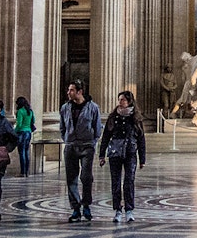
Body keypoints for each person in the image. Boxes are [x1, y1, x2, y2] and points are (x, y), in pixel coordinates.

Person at [98, 90, 146, 224]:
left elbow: (141, 138)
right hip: (115, 153)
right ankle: (117, 209)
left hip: (130, 153)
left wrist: (142, 158)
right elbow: (106, 136)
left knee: (129, 182)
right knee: (116, 182)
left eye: (123, 100)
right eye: (119, 100)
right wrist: (102, 154)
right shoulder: (113, 117)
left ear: (129, 101)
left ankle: (129, 209)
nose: (120, 102)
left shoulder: (136, 118)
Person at [60, 79, 102, 222]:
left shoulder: (93, 107)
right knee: (71, 178)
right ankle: (75, 208)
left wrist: (92, 142)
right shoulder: (65, 108)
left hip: (87, 146)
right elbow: (62, 126)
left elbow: (97, 128)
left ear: (79, 92)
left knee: (86, 177)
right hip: (71, 145)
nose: (68, 93)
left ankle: (86, 205)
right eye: (68, 90)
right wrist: (67, 138)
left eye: (71, 90)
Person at [14, 96, 36, 177]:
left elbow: (19, 124)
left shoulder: (20, 111)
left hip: (21, 133)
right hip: (28, 132)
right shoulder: (30, 111)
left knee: (21, 152)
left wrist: (14, 131)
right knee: (26, 152)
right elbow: (33, 121)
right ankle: (27, 172)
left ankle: (22, 172)